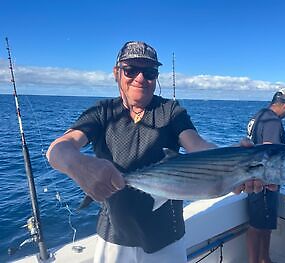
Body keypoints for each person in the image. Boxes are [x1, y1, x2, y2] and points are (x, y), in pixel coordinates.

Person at [46, 40, 262, 263]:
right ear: (116, 72)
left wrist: (234, 160)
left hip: (168, 238)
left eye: (149, 72)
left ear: (156, 77)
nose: (140, 78)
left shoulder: (171, 111)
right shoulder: (102, 112)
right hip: (113, 237)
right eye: (130, 70)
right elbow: (59, 148)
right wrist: (78, 164)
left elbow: (197, 145)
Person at [245, 87, 285, 263]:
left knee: (255, 223)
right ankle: (263, 260)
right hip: (265, 182)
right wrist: (271, 183)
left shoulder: (259, 115)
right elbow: (269, 152)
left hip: (252, 178)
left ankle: (257, 260)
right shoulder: (274, 121)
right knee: (263, 225)